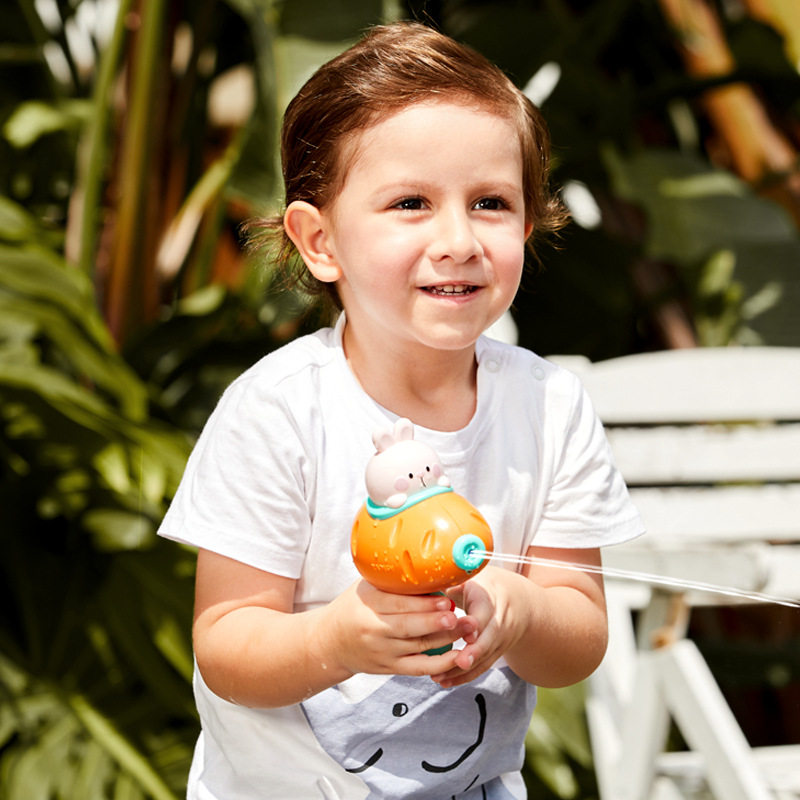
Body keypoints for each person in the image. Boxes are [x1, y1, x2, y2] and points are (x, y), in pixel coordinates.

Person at [159, 21, 643, 800]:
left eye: (490, 202)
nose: (458, 239)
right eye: (411, 202)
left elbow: (579, 637)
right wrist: (338, 638)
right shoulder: (278, 413)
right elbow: (226, 645)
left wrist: (520, 610)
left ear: (526, 224)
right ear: (320, 241)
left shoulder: (549, 409)